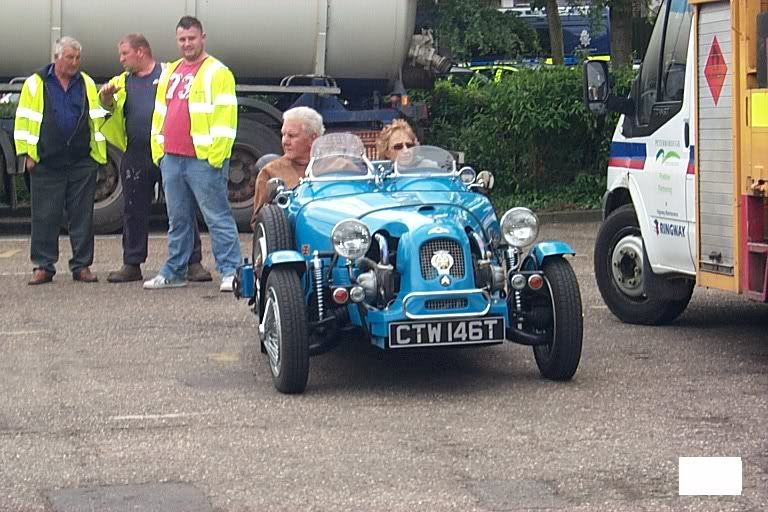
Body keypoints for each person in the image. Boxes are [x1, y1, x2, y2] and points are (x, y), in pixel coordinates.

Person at [99, 33, 211, 283]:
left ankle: (193, 263)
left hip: (168, 150)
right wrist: (106, 99)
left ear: (141, 52)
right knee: (133, 209)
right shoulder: (121, 82)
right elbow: (106, 111)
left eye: (124, 54)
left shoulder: (170, 74)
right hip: (136, 153)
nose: (121, 60)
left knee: (182, 207)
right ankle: (132, 263)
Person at [143, 16, 241, 292]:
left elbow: (226, 116)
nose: (187, 44)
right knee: (178, 220)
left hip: (202, 158)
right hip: (172, 157)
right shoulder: (171, 70)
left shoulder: (217, 72)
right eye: (182, 39)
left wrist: (216, 156)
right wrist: (159, 152)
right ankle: (174, 272)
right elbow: (160, 112)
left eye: (192, 38)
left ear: (202, 38)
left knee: (217, 217)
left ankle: (231, 271)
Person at [14, 37, 107, 285]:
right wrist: (27, 154)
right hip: (46, 160)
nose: (74, 62)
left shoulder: (86, 83)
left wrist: (96, 155)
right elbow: (23, 120)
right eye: (69, 57)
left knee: (82, 217)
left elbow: (97, 117)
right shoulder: (36, 83)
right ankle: (43, 266)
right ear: (57, 57)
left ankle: (82, 265)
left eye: (77, 58)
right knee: (45, 216)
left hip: (81, 161)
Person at [250, 106, 325, 228]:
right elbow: (258, 222)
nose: (285, 141)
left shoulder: (338, 166)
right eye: (283, 135)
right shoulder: (270, 172)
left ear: (313, 138)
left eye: (292, 135)